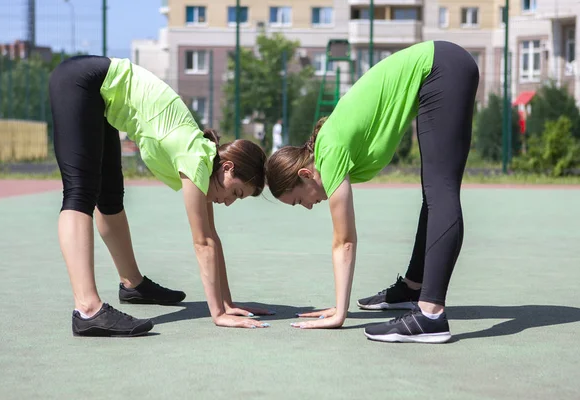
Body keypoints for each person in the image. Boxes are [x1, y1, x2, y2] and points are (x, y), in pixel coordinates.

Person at [265, 41, 479, 343]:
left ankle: (430, 315)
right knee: (434, 193)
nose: (309, 206)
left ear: (305, 173)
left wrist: (340, 313)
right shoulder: (329, 145)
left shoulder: (330, 151)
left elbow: (344, 241)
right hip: (442, 66)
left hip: (441, 68)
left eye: (300, 200)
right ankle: (414, 287)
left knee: (440, 189)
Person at [49, 55, 271, 337]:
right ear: (227, 167)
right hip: (81, 82)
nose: (229, 201)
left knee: (110, 198)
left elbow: (211, 237)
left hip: (100, 96)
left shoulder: (204, 157)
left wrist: (227, 303)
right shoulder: (196, 157)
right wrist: (218, 314)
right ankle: (88, 309)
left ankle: (133, 285)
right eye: (236, 193)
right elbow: (202, 243)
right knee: (79, 192)